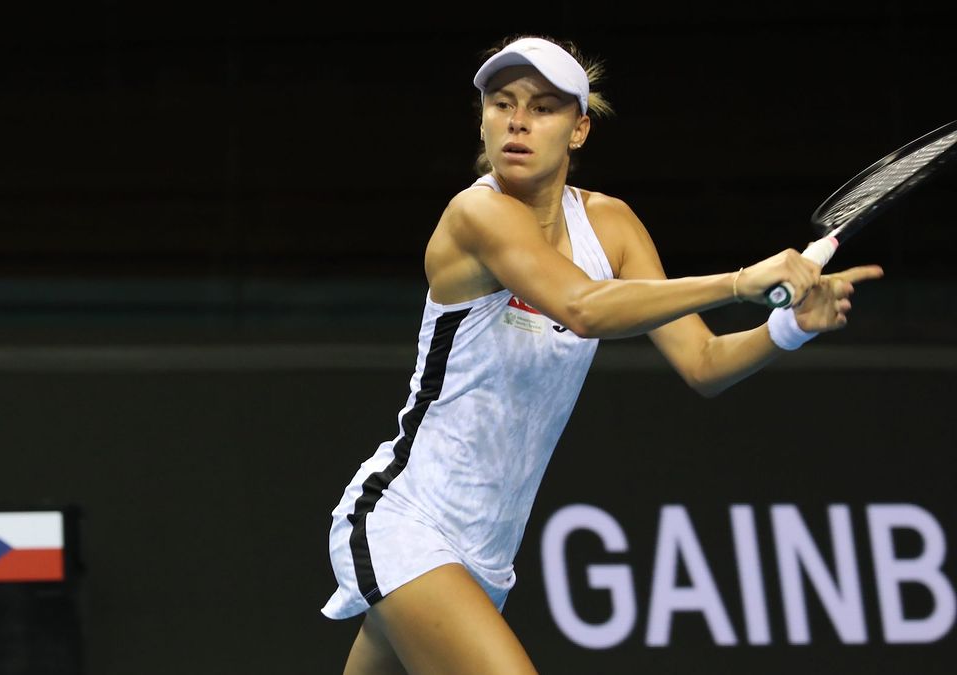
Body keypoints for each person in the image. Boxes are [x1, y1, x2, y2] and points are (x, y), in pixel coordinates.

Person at [320, 35, 883, 674]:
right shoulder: (476, 213)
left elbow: (703, 361)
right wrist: (736, 282)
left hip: (486, 553)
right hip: (408, 522)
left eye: (543, 108)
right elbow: (583, 306)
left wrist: (788, 328)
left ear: (579, 130)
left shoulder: (611, 227)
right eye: (502, 103)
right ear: (482, 120)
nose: (518, 121)